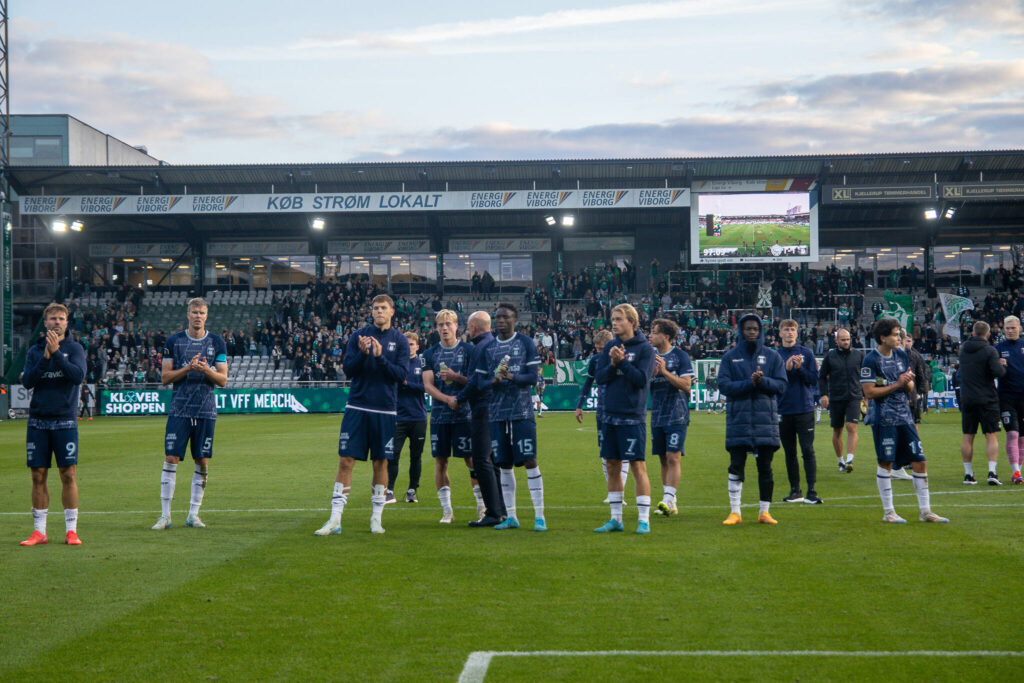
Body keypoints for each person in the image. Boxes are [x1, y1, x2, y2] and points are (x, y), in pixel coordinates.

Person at [315, 295, 409, 536]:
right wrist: (362, 354)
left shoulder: (399, 340)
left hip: (385, 410)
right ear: (372, 311)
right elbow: (348, 369)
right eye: (376, 308)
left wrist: (379, 357)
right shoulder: (358, 336)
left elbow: (400, 376)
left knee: (381, 462)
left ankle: (376, 519)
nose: (379, 311)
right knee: (346, 460)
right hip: (357, 407)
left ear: (391, 312)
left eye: (383, 308)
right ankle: (335, 519)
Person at [861, 317, 948, 523]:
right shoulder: (870, 360)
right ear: (882, 337)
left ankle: (925, 511)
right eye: (895, 334)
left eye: (900, 333)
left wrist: (907, 383)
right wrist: (898, 383)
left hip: (905, 416)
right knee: (886, 463)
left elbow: (909, 387)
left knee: (920, 461)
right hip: (884, 419)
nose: (899, 337)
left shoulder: (901, 355)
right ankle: (889, 512)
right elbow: (869, 392)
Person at [152, 298, 228, 531]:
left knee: (202, 461)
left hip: (205, 410)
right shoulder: (174, 341)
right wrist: (188, 368)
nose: (197, 316)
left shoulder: (217, 342)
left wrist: (205, 369)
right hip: (180, 409)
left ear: (207, 316)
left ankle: (193, 514)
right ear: (188, 314)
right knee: (171, 458)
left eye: (201, 312)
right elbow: (165, 377)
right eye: (194, 312)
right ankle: (165, 516)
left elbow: (223, 380)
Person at [20, 303, 87, 546]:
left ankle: (71, 531)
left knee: (68, 473)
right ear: (45, 322)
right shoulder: (35, 351)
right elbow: (27, 381)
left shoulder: (75, 348)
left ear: (67, 323)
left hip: (65, 420)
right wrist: (46, 357)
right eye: (52, 319)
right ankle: (40, 532)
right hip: (38, 421)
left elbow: (78, 376)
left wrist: (56, 354)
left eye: (61, 319)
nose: (56, 322)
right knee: (38, 475)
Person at [719, 314, 788, 526]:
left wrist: (762, 381)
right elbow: (724, 386)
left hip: (765, 420)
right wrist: (749, 383)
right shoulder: (730, 357)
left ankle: (764, 512)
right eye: (748, 329)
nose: (752, 332)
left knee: (765, 467)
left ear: (760, 331)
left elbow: (781, 385)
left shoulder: (773, 356)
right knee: (736, 465)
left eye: (755, 329)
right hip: (739, 419)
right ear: (741, 331)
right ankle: (735, 512)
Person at [594, 303, 655, 534]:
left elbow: (641, 380)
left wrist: (623, 363)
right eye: (613, 319)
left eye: (619, 319)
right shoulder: (610, 345)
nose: (615, 323)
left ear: (632, 321)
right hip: (609, 415)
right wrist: (612, 364)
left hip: (632, 417)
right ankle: (616, 519)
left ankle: (643, 520)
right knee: (612, 466)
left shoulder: (645, 350)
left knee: (638, 466)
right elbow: (600, 378)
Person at [488, 303, 546, 531]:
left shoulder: (525, 343)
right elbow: (481, 381)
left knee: (530, 460)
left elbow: (532, 378)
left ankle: (539, 516)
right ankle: (511, 516)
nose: (500, 320)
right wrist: (492, 381)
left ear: (515, 320)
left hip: (521, 412)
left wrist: (509, 376)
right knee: (503, 463)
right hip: (497, 414)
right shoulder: (489, 347)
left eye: (505, 317)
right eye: (497, 317)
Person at [422, 310, 484, 523]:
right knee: (441, 462)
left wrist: (456, 378)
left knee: (471, 460)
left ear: (457, 326)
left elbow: (476, 382)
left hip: (465, 416)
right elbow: (428, 385)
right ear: (436, 328)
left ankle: (481, 506)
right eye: (440, 325)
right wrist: (447, 399)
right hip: (440, 416)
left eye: (448, 324)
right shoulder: (429, 354)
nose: (444, 328)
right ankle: (447, 510)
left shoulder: (469, 351)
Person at [448, 311, 507, 527]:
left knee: (481, 460)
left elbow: (474, 381)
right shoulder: (495, 344)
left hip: (483, 408)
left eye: (468, 326)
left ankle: (493, 512)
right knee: (492, 461)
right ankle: (501, 509)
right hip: (496, 407)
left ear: (474, 326)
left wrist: (459, 399)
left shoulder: (480, 348)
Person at [648, 318, 694, 516]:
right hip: (657, 415)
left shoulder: (680, 356)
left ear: (665, 336)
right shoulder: (649, 357)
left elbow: (686, 385)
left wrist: (665, 372)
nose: (650, 335)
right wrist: (652, 373)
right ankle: (671, 502)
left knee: (673, 457)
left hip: (677, 414)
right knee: (662, 459)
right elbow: (641, 385)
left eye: (654, 332)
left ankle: (667, 499)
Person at [575, 329, 629, 498]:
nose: (599, 352)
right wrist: (579, 405)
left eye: (601, 348)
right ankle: (613, 492)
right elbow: (588, 383)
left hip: (622, 409)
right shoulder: (596, 360)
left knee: (624, 451)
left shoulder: (624, 358)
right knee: (606, 452)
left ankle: (620, 492)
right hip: (602, 410)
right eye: (597, 349)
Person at [776, 319, 822, 504]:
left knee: (807, 450)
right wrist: (786, 370)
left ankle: (812, 491)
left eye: (792, 330)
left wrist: (799, 368)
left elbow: (813, 379)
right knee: (789, 452)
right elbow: (773, 383)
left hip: (804, 409)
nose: (789, 333)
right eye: (786, 330)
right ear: (780, 334)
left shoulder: (807, 353)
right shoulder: (775, 355)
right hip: (783, 409)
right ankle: (795, 490)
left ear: (797, 333)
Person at [957, 320, 1006, 485]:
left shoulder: (963, 351)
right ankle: (992, 472)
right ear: (988, 333)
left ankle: (968, 474)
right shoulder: (989, 350)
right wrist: (1002, 364)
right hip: (987, 398)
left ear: (972, 332)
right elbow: (998, 372)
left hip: (968, 398)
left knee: (968, 436)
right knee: (991, 435)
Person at [387, 331, 427, 504]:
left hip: (418, 417)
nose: (409, 347)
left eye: (412, 344)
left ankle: (412, 490)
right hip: (399, 417)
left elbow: (426, 386)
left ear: (417, 346)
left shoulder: (422, 364)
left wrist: (407, 384)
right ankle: (389, 490)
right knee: (393, 455)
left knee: (415, 456)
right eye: (406, 344)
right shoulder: (397, 364)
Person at [818, 328, 863, 474]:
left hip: (854, 397)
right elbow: (822, 377)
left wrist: (866, 396)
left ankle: (850, 460)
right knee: (837, 430)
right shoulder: (830, 356)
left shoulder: (859, 355)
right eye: (843, 339)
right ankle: (840, 461)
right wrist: (824, 394)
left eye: (848, 339)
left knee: (851, 426)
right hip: (836, 398)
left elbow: (867, 375)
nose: (846, 342)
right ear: (836, 341)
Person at [995, 315, 1024, 484]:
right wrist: (998, 365)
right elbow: (992, 371)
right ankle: (1015, 471)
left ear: (1019, 328)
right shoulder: (998, 349)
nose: (1011, 331)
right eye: (1008, 328)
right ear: (1003, 329)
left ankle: (1018, 471)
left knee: (1022, 437)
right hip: (1006, 397)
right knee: (1012, 433)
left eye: (1013, 328)